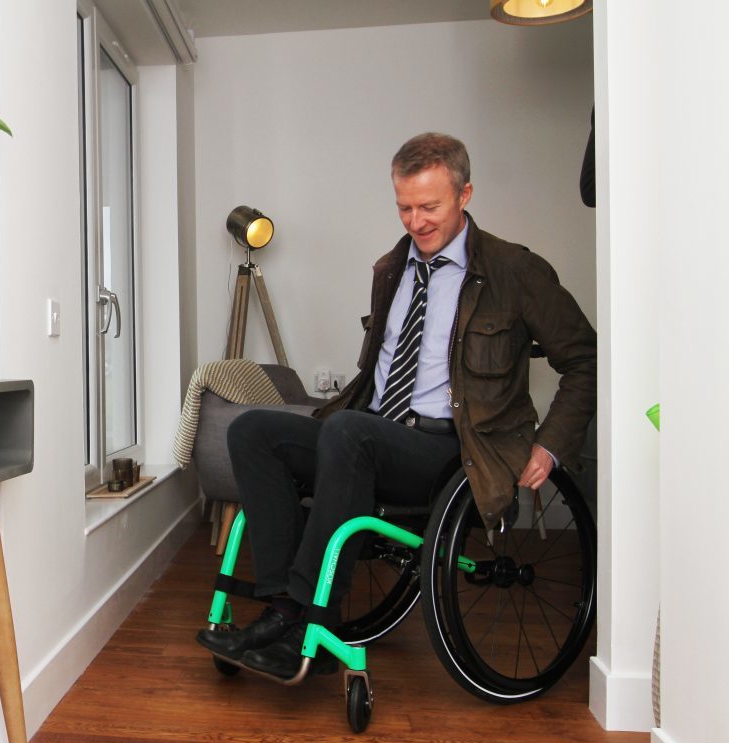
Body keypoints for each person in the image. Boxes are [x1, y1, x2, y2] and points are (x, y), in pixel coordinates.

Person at [196, 132, 597, 680]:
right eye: (404, 207)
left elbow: (585, 358)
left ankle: (309, 619)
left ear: (465, 194)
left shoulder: (515, 271)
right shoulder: (391, 268)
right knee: (251, 431)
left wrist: (550, 446)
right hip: (371, 439)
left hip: (450, 452)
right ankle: (282, 607)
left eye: (429, 206)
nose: (415, 221)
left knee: (349, 433)